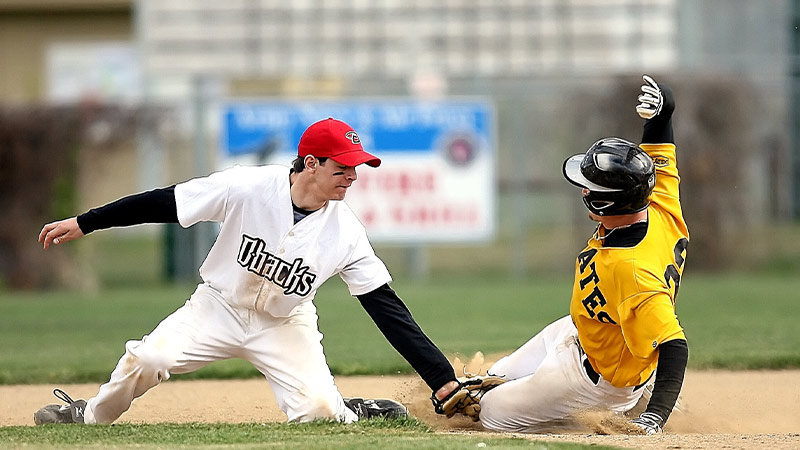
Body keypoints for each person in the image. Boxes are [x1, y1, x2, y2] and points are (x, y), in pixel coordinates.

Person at [34, 117, 460, 425]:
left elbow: (387, 309)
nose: (352, 176)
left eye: (355, 167)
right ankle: (87, 415)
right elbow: (167, 201)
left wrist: (441, 379)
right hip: (217, 307)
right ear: (310, 163)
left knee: (319, 414)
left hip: (283, 324)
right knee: (149, 357)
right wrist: (86, 222)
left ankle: (346, 408)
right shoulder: (248, 187)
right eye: (342, 167)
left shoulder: (345, 231)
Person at [467, 75, 689, 434]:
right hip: (586, 329)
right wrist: (662, 116)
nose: (583, 189)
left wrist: (655, 418)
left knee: (488, 413)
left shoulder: (632, 270)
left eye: (589, 187)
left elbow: (675, 346)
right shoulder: (659, 203)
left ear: (603, 202)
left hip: (597, 381)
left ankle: (621, 409)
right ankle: (630, 394)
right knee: (488, 381)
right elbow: (660, 150)